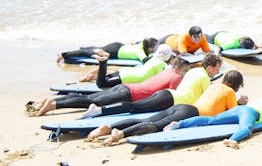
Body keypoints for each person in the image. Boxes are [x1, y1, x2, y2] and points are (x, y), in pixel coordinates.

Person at [94, 69, 246, 146]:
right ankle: (120, 134)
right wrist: (241, 104)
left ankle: (109, 127)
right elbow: (233, 114)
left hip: (183, 106)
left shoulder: (214, 86)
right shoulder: (230, 92)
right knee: (157, 126)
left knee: (148, 119)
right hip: (191, 113)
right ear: (237, 84)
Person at [26, 56, 190, 117]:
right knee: (90, 101)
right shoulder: (176, 77)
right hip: (129, 95)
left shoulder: (166, 72)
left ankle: (48, 102)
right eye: (186, 71)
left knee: (89, 98)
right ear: (181, 69)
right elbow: (171, 95)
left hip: (126, 87)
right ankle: (54, 105)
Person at [85, 53, 223, 120]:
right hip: (170, 100)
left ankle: (98, 110)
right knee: (134, 107)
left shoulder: (194, 70)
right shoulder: (204, 77)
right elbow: (209, 99)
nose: (218, 71)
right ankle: (99, 110)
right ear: (210, 67)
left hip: (167, 95)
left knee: (135, 106)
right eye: (217, 68)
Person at [167, 95, 262, 149]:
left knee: (212, 120)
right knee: (247, 129)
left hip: (239, 109)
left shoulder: (261, 99)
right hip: (249, 113)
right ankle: (231, 140)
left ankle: (179, 124)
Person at [81, 43, 175, 88]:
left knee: (106, 78)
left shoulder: (153, 58)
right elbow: (163, 80)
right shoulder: (161, 64)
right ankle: (103, 63)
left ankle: (94, 75)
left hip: (129, 72)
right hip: (129, 78)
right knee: (101, 84)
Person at [56, 37, 158, 64]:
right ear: (149, 48)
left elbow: (135, 42)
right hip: (114, 51)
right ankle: (64, 55)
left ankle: (82, 48)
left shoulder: (142, 44)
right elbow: (145, 61)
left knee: (97, 48)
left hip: (118, 46)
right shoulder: (139, 51)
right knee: (92, 53)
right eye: (154, 48)